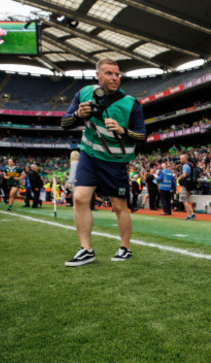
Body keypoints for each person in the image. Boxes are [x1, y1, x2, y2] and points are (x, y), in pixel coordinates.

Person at [61, 58, 146, 266]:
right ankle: (86, 249)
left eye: (117, 74)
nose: (115, 78)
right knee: (80, 198)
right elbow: (64, 123)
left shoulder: (130, 103)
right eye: (109, 73)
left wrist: (122, 130)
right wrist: (78, 115)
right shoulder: (84, 93)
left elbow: (142, 136)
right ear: (98, 75)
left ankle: (125, 248)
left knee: (119, 206)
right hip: (88, 154)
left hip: (115, 161)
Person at [177, 154, 196, 220]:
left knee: (184, 200)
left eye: (181, 159)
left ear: (185, 159)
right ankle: (192, 213)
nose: (180, 160)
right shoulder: (190, 165)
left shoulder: (185, 166)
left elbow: (184, 175)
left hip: (185, 185)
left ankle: (188, 215)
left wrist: (179, 178)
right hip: (189, 185)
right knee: (187, 200)